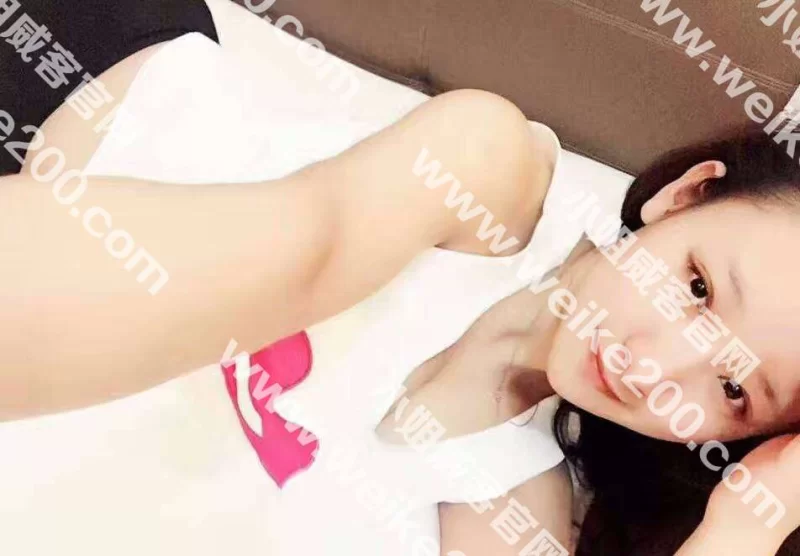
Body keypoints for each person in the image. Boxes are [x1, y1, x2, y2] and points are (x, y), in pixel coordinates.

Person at [2, 2, 800, 555]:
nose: (653, 368)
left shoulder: (515, 492)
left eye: (734, 390)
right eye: (696, 288)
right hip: (74, 78)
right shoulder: (489, 173)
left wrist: (744, 529)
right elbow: (314, 243)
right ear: (681, 197)